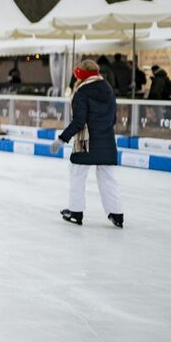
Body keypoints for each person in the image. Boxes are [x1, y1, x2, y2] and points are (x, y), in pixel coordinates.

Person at [50, 60, 123, 228]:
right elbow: (113, 119)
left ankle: (75, 212)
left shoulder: (81, 91)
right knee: (107, 177)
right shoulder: (108, 88)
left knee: (77, 174)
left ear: (80, 75)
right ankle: (117, 214)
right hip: (107, 140)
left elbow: (79, 121)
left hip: (86, 142)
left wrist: (62, 139)